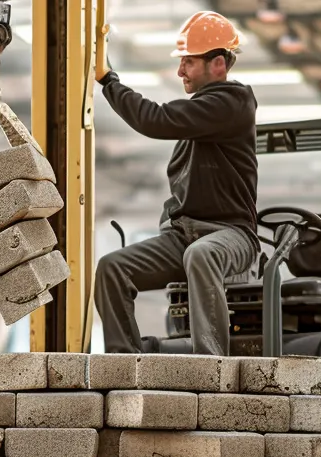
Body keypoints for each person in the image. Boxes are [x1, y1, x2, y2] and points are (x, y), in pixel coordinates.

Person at [93, 11, 260, 356]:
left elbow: (154, 120)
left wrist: (109, 80)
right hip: (185, 236)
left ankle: (212, 368)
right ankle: (123, 365)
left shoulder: (233, 103)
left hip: (231, 235)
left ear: (218, 64)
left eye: (188, 62)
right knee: (112, 268)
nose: (180, 71)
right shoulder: (201, 119)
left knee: (202, 254)